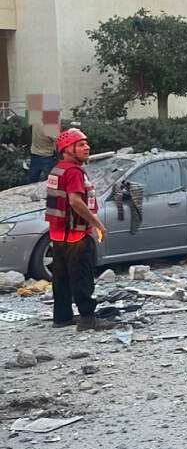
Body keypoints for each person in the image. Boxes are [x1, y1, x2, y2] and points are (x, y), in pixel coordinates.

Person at [45, 129, 112, 332]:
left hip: (58, 234)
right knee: (82, 276)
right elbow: (75, 201)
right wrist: (98, 224)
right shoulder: (74, 172)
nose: (87, 147)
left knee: (61, 277)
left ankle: (62, 317)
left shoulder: (58, 169)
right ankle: (87, 318)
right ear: (67, 150)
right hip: (76, 234)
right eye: (81, 144)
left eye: (86, 143)